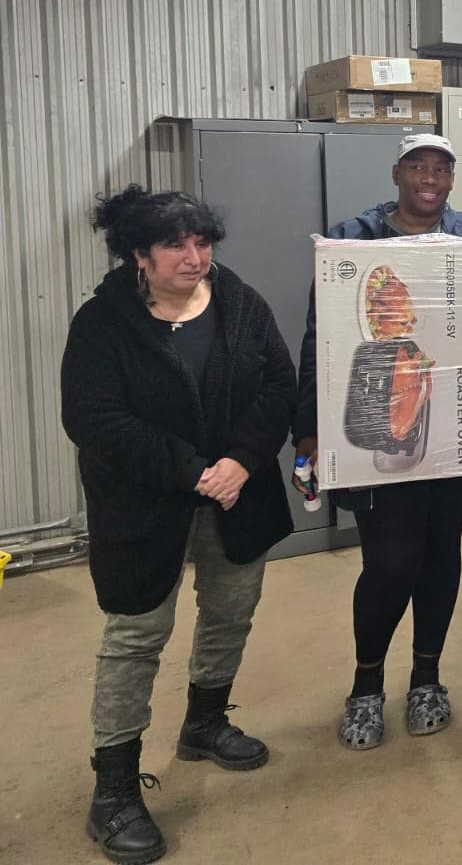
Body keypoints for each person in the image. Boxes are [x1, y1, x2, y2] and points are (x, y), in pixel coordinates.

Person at [61, 185, 296, 865]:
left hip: (237, 495)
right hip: (144, 504)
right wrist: (195, 470)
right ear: (139, 254)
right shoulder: (103, 323)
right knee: (136, 636)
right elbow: (94, 418)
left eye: (203, 242)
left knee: (230, 612)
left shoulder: (240, 303)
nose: (194, 258)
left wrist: (240, 462)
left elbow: (277, 385)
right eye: (175, 245)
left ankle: (205, 722)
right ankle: (113, 788)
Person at [292, 133, 462, 750]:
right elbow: (321, 335)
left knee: (442, 553)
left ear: (452, 178)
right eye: (417, 166)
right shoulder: (354, 237)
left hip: (449, 425)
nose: (429, 178)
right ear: (397, 173)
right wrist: (308, 428)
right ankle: (366, 686)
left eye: (441, 168)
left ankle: (426, 677)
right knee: (390, 562)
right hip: (368, 420)